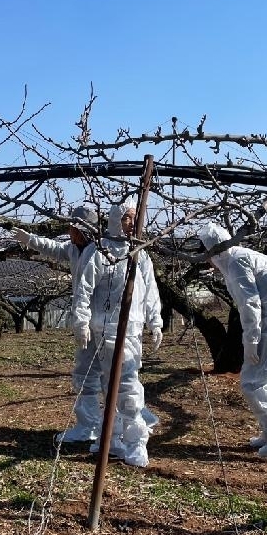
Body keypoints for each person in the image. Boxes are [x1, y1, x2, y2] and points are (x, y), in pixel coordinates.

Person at [13, 206, 161, 442]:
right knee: (85, 373)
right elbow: (51, 248)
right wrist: (29, 239)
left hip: (106, 323)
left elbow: (149, 288)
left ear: (83, 229)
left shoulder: (107, 250)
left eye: (74, 228)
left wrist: (155, 319)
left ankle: (126, 425)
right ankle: (90, 425)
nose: (70, 232)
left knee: (118, 376)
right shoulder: (76, 250)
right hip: (90, 324)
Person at [197, 222, 267, 458]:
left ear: (212, 251)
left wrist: (250, 341)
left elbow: (250, 304)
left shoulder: (237, 262)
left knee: (252, 383)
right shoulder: (240, 257)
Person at [70, 200, 163, 467]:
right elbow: (84, 289)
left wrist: (155, 321)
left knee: (124, 386)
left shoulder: (139, 253)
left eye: (135, 218)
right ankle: (122, 440)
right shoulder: (100, 251)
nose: (132, 223)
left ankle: (124, 439)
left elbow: (150, 290)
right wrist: (82, 322)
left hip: (130, 329)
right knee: (117, 386)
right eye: (126, 218)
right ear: (115, 220)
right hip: (106, 329)